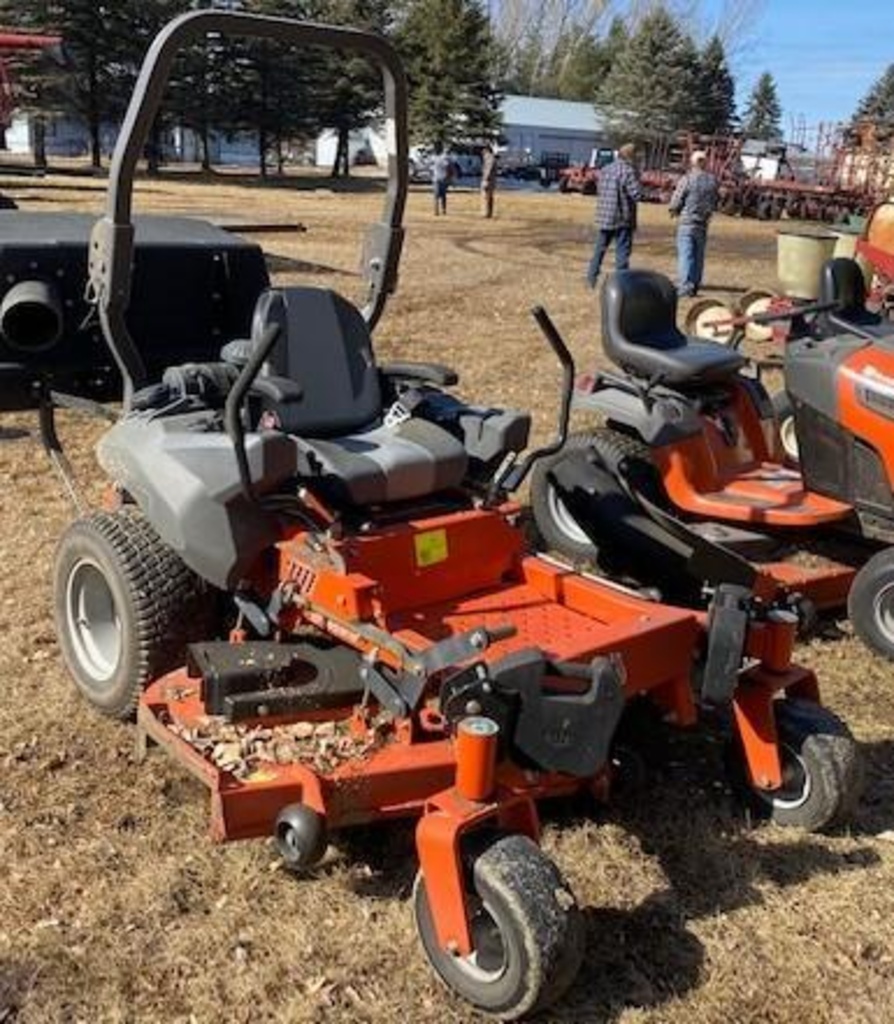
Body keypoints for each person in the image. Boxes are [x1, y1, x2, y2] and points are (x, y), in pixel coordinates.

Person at [586, 142, 641, 289]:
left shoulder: (605, 169)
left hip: (605, 216)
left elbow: (599, 189)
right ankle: (621, 283)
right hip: (622, 218)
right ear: (631, 156)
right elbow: (636, 194)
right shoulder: (628, 171)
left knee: (599, 250)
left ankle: (591, 278)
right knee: (622, 252)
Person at [669, 149, 719, 297]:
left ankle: (685, 286)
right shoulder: (712, 181)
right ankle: (695, 284)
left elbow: (677, 198)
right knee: (698, 255)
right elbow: (715, 200)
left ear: (693, 162)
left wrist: (673, 209)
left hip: (687, 221)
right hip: (703, 222)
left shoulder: (688, 179)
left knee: (686, 254)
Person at [431, 143, 453, 216]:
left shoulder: (443, 157)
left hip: (441, 178)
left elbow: (448, 167)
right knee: (438, 195)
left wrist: (448, 177)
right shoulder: (434, 157)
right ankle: (437, 210)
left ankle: (442, 209)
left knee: (441, 195)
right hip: (438, 178)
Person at [480, 143, 498, 218]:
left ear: (487, 150)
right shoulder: (490, 158)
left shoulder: (490, 158)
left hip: (488, 180)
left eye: (483, 150)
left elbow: (489, 169)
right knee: (488, 197)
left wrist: (485, 178)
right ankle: (488, 212)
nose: (482, 152)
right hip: (490, 180)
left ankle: (486, 213)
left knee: (486, 197)